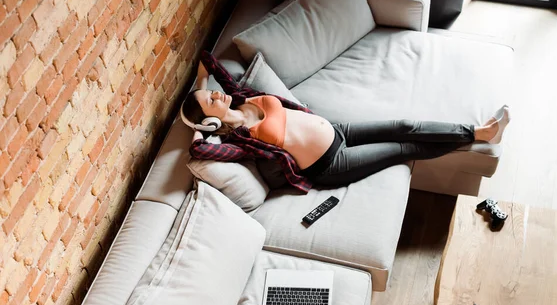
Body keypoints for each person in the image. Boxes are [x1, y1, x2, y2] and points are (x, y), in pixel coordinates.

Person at [183, 51, 510, 192]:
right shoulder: (240, 142)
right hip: (331, 164)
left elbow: (210, 60)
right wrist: (200, 131)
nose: (216, 95)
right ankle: (482, 136)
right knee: (403, 147)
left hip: (338, 129)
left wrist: (200, 84)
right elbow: (201, 153)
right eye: (210, 101)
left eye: (212, 93)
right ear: (211, 123)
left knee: (404, 124)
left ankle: (479, 131)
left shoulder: (239, 96)